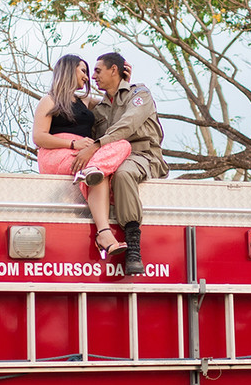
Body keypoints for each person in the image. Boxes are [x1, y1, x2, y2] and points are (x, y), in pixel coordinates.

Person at [72, 51, 167, 276]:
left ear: (114, 70)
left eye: (97, 70)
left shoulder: (140, 93)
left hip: (144, 156)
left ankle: (133, 246)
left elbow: (128, 123)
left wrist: (95, 146)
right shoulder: (100, 108)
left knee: (123, 174)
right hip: (113, 159)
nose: (93, 76)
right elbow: (76, 109)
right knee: (101, 174)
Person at [33, 55, 132, 258]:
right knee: (98, 173)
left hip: (86, 155)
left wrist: (124, 83)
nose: (88, 77)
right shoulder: (49, 100)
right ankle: (104, 233)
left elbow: (114, 106)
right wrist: (72, 143)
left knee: (122, 145)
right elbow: (39, 137)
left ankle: (91, 173)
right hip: (57, 154)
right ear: (69, 70)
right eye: (83, 71)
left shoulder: (86, 102)